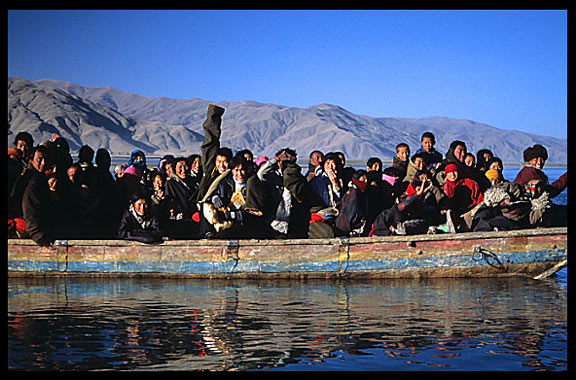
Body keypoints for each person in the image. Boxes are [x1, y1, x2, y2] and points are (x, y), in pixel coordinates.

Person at [439, 163, 484, 231]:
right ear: (446, 175)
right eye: (449, 173)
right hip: (454, 212)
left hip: (470, 210)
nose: (453, 175)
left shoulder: (469, 183)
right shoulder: (444, 188)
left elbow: (479, 199)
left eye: (454, 172)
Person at [334, 170, 370, 236]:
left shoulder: (355, 192)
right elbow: (352, 212)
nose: (366, 182)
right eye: (363, 179)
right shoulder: (354, 194)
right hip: (348, 227)